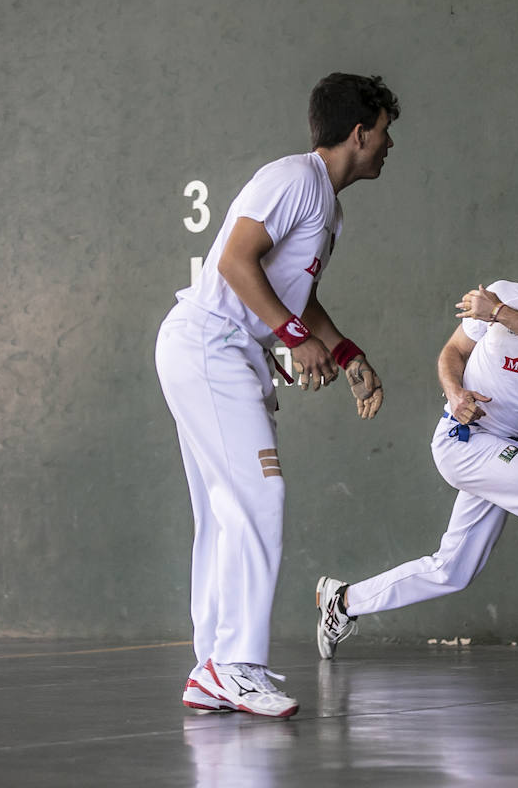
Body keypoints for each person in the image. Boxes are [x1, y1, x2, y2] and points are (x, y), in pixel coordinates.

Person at [155, 73, 399, 717]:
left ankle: (213, 666)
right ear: (358, 133)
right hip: (209, 345)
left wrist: (346, 353)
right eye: (383, 132)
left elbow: (297, 297)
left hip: (219, 351)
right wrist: (295, 339)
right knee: (260, 493)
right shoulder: (295, 178)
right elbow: (236, 260)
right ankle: (236, 663)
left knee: (222, 511)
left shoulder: (328, 207)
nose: (388, 145)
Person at [315, 234, 518, 664]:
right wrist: (455, 393)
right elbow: (453, 351)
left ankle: (342, 602)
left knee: (452, 569)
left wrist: (497, 313)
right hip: (466, 441)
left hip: (509, 453)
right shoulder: (509, 293)